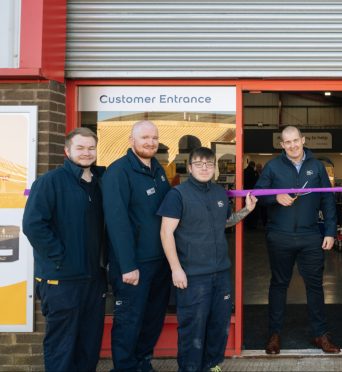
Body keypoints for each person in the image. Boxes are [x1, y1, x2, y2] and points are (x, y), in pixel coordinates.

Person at [158, 147, 257, 372]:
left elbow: (224, 223)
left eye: (209, 164)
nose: (205, 168)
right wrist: (176, 269)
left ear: (214, 168)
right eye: (199, 164)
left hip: (221, 273)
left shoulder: (219, 193)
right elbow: (166, 233)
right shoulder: (178, 194)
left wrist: (246, 211)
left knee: (218, 326)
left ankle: (212, 366)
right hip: (192, 276)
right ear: (190, 167)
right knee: (192, 330)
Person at [23, 127, 107, 372]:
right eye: (80, 148)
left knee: (88, 346)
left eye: (91, 148)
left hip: (93, 280)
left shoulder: (101, 183)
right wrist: (60, 257)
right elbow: (33, 225)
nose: (86, 153)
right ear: (67, 151)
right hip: (62, 280)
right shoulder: (50, 182)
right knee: (62, 347)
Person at [254, 126, 340, 354]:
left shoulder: (317, 166)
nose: (292, 145)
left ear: (303, 140)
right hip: (279, 235)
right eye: (287, 142)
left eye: (296, 141)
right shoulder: (273, 166)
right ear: (282, 145)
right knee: (279, 285)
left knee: (315, 286)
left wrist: (330, 231)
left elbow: (328, 200)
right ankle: (274, 334)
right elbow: (256, 196)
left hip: (310, 235)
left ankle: (320, 335)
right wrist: (275, 197)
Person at [102, 120, 172, 372]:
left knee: (152, 320)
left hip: (159, 263)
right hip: (133, 266)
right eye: (144, 138)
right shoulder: (118, 172)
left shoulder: (158, 169)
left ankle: (143, 364)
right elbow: (117, 223)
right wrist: (128, 265)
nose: (150, 142)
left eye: (154, 138)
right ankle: (124, 368)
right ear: (131, 141)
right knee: (129, 322)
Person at [243, 160, 259, 229]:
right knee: (253, 209)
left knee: (246, 207)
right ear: (253, 165)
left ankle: (246, 224)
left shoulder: (244, 171)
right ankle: (252, 225)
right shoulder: (254, 172)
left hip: (244, 192)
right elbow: (257, 182)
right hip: (253, 193)